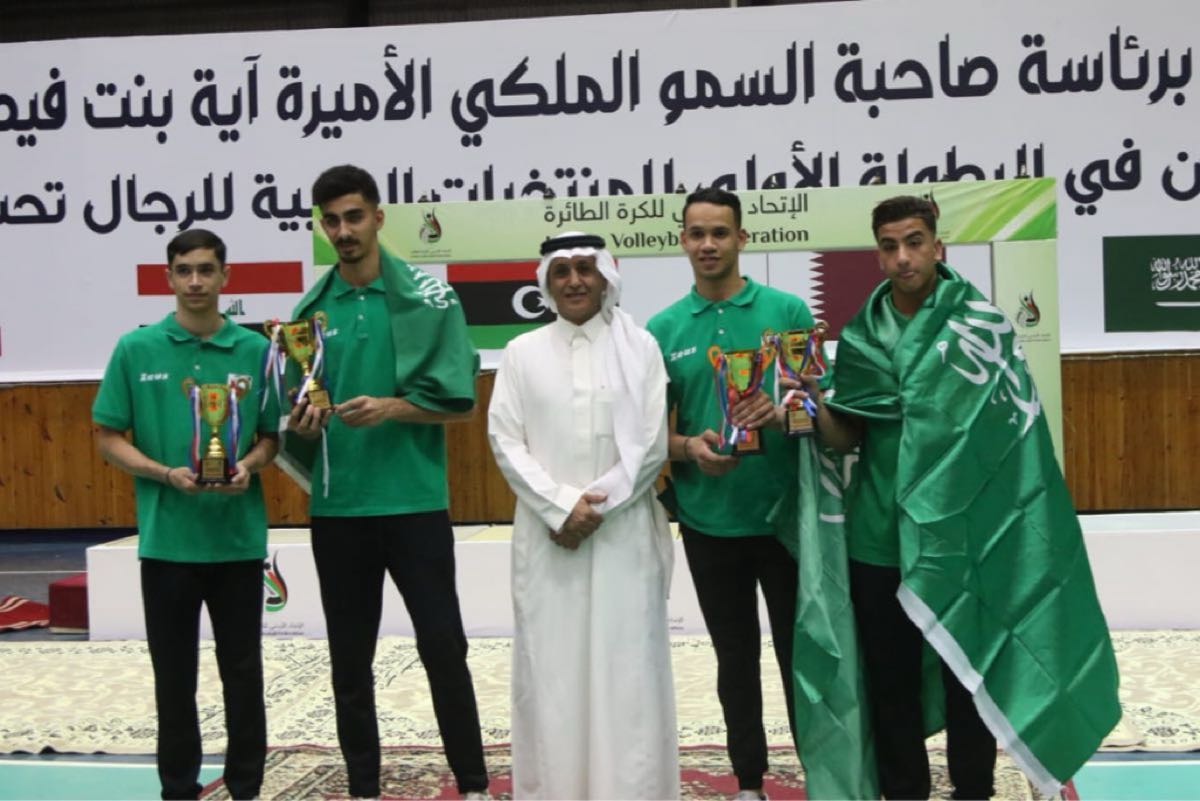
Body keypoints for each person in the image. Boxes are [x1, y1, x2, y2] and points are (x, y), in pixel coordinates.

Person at [797, 195, 1120, 798]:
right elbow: (848, 437)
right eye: (890, 246)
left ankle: (974, 789)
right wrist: (816, 403)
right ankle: (905, 791)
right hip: (879, 537)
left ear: (937, 246)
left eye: (914, 242)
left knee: (968, 673)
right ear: (878, 255)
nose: (903, 257)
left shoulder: (980, 327)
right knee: (890, 682)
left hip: (962, 532)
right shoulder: (862, 335)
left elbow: (1008, 440)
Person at [279, 164, 489, 800]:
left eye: (353, 217)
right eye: (331, 221)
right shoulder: (308, 314)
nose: (344, 231)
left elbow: (460, 405)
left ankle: (474, 784)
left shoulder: (431, 299)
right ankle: (363, 788)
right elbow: (296, 417)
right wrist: (303, 423)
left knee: (444, 648)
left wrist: (392, 407)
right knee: (349, 662)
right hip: (339, 509)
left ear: (377, 217)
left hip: (414, 505)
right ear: (322, 227)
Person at [488, 232, 679, 799]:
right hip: (549, 539)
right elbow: (505, 440)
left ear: (605, 277)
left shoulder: (640, 347)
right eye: (562, 271)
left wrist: (594, 509)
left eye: (585, 269)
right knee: (552, 673)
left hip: (624, 536)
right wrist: (559, 507)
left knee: (629, 672)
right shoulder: (521, 352)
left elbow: (650, 445)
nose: (574, 281)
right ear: (546, 282)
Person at [646, 187, 820, 800]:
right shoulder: (661, 330)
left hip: (786, 519)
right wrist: (690, 447)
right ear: (682, 241)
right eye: (697, 233)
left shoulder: (788, 311)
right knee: (734, 659)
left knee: (803, 659)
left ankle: (820, 772)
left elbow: (820, 410)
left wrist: (783, 413)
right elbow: (650, 437)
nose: (708, 244)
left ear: (742, 238)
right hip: (709, 521)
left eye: (720, 232)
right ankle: (749, 780)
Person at [93, 228, 277, 800]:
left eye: (206, 270)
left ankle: (246, 787)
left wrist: (248, 465)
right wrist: (162, 473)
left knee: (243, 673)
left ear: (225, 277)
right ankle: (178, 788)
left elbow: (271, 438)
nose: (195, 281)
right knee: (173, 676)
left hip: (237, 541)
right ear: (169, 277)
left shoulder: (256, 350)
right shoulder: (135, 348)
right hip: (167, 542)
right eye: (184, 271)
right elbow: (107, 435)